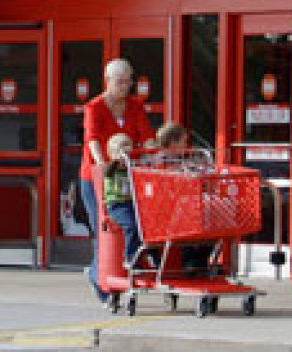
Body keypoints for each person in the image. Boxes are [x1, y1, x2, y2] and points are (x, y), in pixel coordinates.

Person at [79, 58, 155, 303]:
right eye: (120, 82)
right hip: (98, 179)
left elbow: (147, 136)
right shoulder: (95, 107)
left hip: (129, 176)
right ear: (108, 81)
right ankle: (99, 279)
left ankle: (119, 268)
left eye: (128, 82)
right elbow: (92, 139)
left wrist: (157, 155)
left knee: (135, 223)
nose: (125, 87)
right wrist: (101, 163)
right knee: (104, 229)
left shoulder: (135, 106)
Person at [155, 121, 214, 272]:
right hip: (168, 209)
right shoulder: (160, 161)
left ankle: (199, 262)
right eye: (183, 141)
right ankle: (191, 262)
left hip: (185, 206)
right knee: (190, 224)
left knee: (213, 220)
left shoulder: (184, 159)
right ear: (173, 143)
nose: (186, 145)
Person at [103, 133, 142, 266]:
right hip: (117, 205)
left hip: (132, 204)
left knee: (144, 227)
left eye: (128, 153)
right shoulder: (111, 170)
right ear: (112, 154)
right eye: (121, 153)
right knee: (131, 225)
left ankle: (146, 256)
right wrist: (116, 161)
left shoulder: (131, 169)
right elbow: (108, 177)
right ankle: (129, 256)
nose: (125, 158)